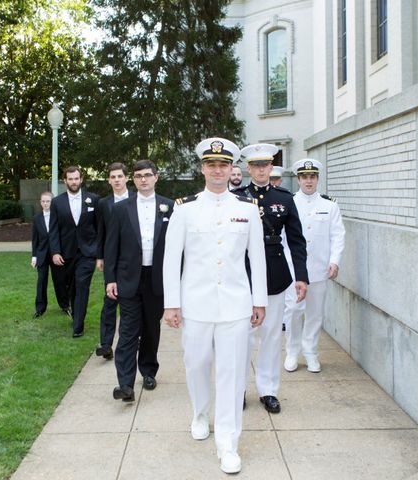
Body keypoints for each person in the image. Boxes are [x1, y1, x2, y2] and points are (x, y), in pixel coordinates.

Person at [163, 137, 267, 474]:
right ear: (203, 168)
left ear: (232, 169)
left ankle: (228, 443)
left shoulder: (248, 210)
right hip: (195, 304)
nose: (218, 170)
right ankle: (199, 412)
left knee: (232, 374)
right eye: (211, 165)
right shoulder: (185, 208)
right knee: (195, 363)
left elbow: (258, 259)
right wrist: (171, 304)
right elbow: (171, 260)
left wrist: (259, 300)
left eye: (223, 165)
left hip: (236, 306)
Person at [232, 143, 308, 414]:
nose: (261, 169)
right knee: (242, 337)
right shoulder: (237, 198)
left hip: (275, 275)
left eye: (266, 165)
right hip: (244, 274)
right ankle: (237, 390)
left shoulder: (285, 198)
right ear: (248, 168)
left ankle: (268, 390)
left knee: (272, 335)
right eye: (256, 165)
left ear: (271, 168)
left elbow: (297, 241)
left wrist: (301, 276)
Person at [105, 160, 174, 401]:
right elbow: (111, 245)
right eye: (138, 176)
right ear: (132, 180)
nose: (143, 179)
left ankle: (148, 370)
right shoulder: (121, 209)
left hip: (156, 279)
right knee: (127, 331)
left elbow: (177, 248)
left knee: (151, 328)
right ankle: (125, 384)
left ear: (156, 177)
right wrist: (110, 278)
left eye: (147, 175)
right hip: (128, 278)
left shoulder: (170, 207)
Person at [284, 159, 345, 373]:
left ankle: (310, 351)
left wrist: (334, 260)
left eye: (312, 177)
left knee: (315, 313)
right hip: (293, 270)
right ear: (299, 179)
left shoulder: (330, 205)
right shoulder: (289, 203)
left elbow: (338, 235)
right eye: (304, 177)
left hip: (319, 268)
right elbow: (284, 238)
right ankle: (292, 351)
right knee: (292, 311)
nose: (308, 181)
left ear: (317, 179)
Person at [49, 166, 99, 338]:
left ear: (81, 179)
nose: (74, 182)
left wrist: (98, 251)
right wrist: (55, 252)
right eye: (70, 179)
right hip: (66, 252)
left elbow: (98, 227)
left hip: (88, 252)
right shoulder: (57, 202)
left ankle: (78, 326)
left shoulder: (93, 199)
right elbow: (53, 229)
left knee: (82, 285)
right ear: (65, 181)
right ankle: (75, 313)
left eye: (76, 178)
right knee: (71, 288)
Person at [94, 162, 135, 360]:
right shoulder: (103, 204)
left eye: (120, 176)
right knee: (109, 301)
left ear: (126, 178)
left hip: (132, 259)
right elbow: (100, 232)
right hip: (112, 258)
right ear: (109, 180)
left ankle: (132, 341)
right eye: (113, 177)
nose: (117, 180)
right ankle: (106, 344)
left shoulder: (136, 199)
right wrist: (100, 256)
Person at [30, 192, 69, 318]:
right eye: (43, 201)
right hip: (42, 254)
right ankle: (40, 308)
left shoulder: (58, 217)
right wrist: (34, 256)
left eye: (48, 201)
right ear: (40, 202)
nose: (45, 204)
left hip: (56, 254)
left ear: (52, 203)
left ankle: (65, 305)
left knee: (60, 280)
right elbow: (35, 239)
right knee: (41, 281)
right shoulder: (37, 218)